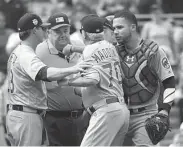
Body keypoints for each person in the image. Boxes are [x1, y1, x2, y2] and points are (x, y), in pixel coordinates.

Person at [6, 13, 90, 146]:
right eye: (42, 28)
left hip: (22, 113)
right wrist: (74, 69)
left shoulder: (20, 51)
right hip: (27, 115)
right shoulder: (27, 54)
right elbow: (45, 73)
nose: (44, 31)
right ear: (34, 31)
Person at [58, 15, 130, 146]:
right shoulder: (110, 47)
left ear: (83, 33)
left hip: (106, 111)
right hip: (121, 109)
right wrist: (78, 89)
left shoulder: (90, 50)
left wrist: (67, 81)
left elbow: (92, 79)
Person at [112, 10, 175, 146]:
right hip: (120, 115)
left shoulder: (153, 51)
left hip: (146, 115)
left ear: (133, 27)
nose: (115, 31)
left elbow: (169, 82)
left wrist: (164, 110)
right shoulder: (113, 51)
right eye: (114, 28)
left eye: (120, 27)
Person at [36, 12, 89, 146]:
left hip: (82, 116)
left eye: (65, 30)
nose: (63, 34)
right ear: (48, 32)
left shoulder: (78, 46)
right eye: (57, 31)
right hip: (55, 118)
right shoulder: (40, 51)